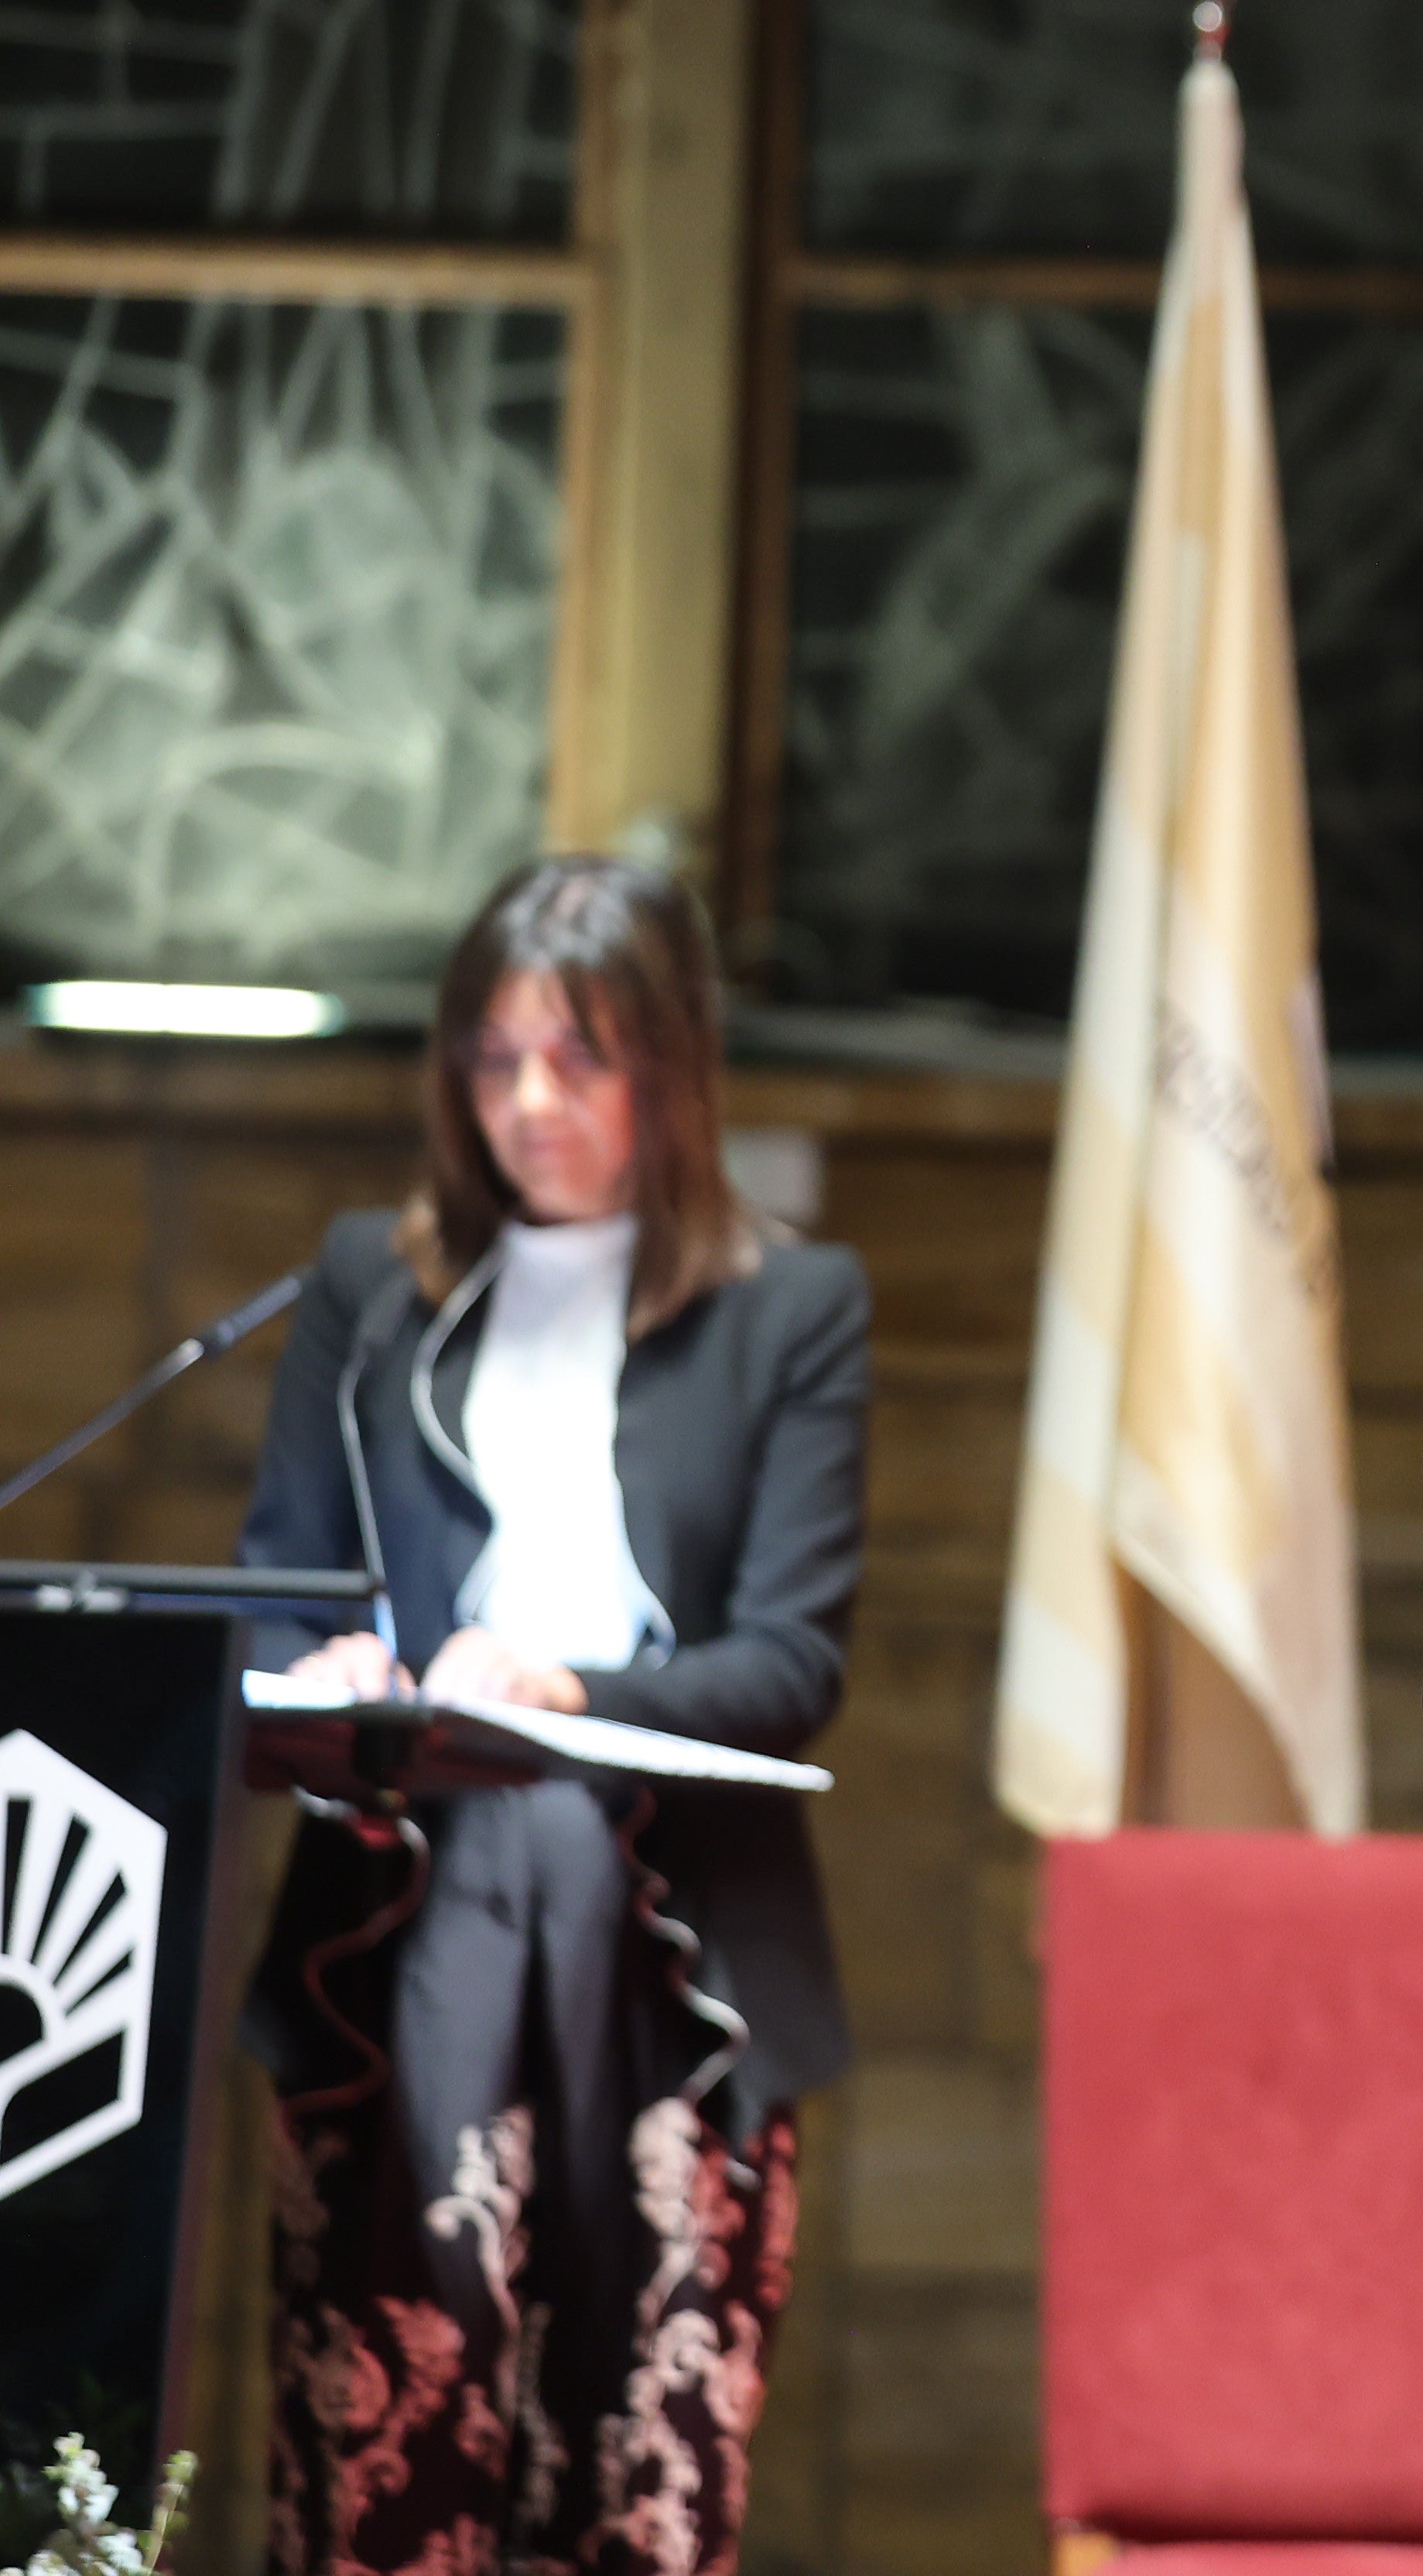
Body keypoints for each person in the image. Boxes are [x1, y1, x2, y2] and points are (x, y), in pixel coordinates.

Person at [238, 854, 867, 2576]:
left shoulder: (787, 1309)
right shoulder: (374, 1283)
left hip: (675, 1974)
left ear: (672, 1068)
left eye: (579, 1059)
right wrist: (342, 1676)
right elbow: (282, 1589)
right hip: (395, 1944)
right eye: (494, 1057)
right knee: (379, 2468)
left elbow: (789, 1663)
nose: (529, 1102)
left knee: (634, 2493)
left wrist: (557, 1687)